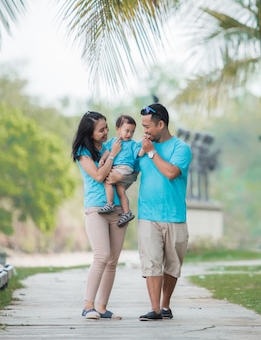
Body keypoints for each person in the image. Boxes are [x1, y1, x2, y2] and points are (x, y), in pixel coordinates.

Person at [109, 103, 191, 321]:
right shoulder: (140, 147)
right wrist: (116, 178)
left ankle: (165, 304)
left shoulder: (181, 148)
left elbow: (171, 173)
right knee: (152, 263)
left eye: (147, 126)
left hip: (175, 217)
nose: (144, 131)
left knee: (173, 265)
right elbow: (130, 170)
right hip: (148, 215)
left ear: (161, 124)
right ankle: (155, 309)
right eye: (142, 127)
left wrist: (152, 153)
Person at [71, 111, 126, 320]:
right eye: (101, 129)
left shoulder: (110, 145)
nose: (106, 132)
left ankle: (102, 308)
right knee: (101, 256)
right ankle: (88, 306)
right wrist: (112, 155)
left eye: (106, 128)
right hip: (96, 209)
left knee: (112, 260)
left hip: (118, 208)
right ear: (90, 132)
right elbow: (98, 175)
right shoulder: (83, 151)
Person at [97, 114, 144, 227]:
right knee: (121, 191)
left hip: (123, 168)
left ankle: (110, 203)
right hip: (124, 170)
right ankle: (127, 213)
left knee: (107, 181)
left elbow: (140, 153)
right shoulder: (114, 141)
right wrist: (102, 159)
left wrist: (144, 145)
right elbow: (107, 152)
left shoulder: (133, 144)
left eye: (132, 132)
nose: (129, 134)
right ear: (118, 129)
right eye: (127, 130)